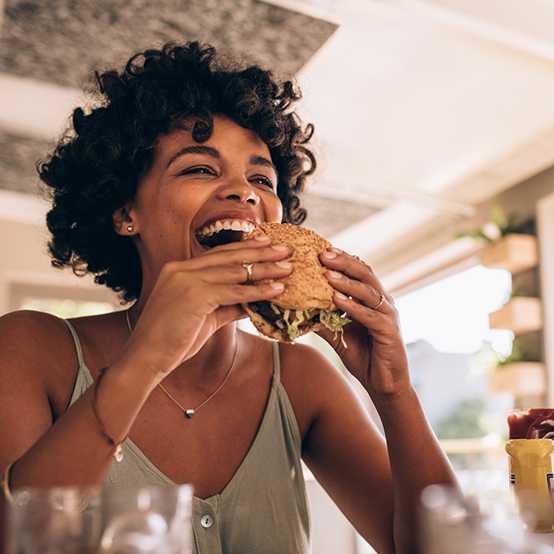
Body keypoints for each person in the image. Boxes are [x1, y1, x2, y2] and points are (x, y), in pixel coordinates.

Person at [0, 42, 459, 553]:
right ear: (125, 210)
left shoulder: (303, 380)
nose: (245, 193)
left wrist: (395, 394)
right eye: (200, 168)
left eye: (262, 178)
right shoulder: (29, 347)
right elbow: (18, 539)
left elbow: (443, 549)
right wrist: (145, 361)